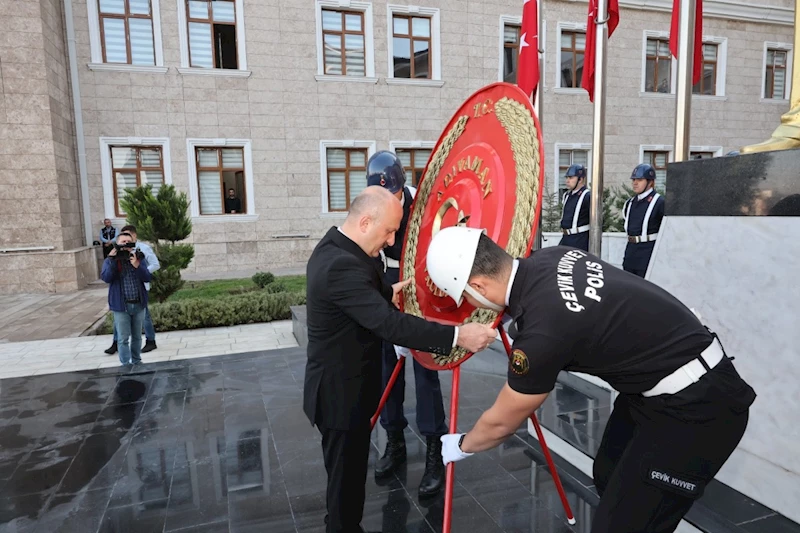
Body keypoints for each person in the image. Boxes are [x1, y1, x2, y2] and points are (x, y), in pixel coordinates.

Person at [426, 226, 756, 533]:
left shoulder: (541, 334)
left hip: (698, 408)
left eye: (466, 296)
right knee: (609, 474)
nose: (470, 304)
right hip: (655, 386)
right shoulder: (551, 257)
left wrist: (461, 445)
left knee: (623, 525)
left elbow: (501, 423)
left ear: (479, 286)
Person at [303, 186, 497, 533]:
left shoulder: (339, 247)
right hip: (339, 399)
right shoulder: (340, 266)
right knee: (345, 493)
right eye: (389, 231)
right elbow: (390, 324)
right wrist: (458, 335)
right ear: (365, 221)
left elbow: (359, 298)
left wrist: (380, 293)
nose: (393, 241)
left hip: (345, 393)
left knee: (346, 486)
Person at [366, 151, 448, 496]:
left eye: (395, 195)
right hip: (388, 281)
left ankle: (434, 449)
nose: (390, 202)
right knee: (388, 366)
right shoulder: (370, 202)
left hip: (421, 283)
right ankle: (395, 441)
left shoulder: (426, 202)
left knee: (425, 370)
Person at [104, 225, 160, 355]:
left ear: (134, 236)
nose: (125, 242)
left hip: (139, 291)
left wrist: (139, 268)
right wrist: (112, 259)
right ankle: (115, 343)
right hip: (121, 297)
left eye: (128, 238)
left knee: (144, 319)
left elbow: (153, 267)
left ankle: (150, 340)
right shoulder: (113, 257)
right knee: (120, 320)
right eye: (122, 239)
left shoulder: (142, 250)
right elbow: (107, 277)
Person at [622, 164, 665, 277]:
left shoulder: (659, 202)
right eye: (634, 180)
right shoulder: (630, 203)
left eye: (640, 180)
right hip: (631, 252)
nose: (635, 183)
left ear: (650, 182)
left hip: (648, 252)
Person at [558, 164, 591, 251]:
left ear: (580, 179)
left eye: (571, 178)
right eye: (567, 178)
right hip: (566, 238)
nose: (567, 181)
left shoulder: (587, 196)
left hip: (580, 239)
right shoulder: (567, 195)